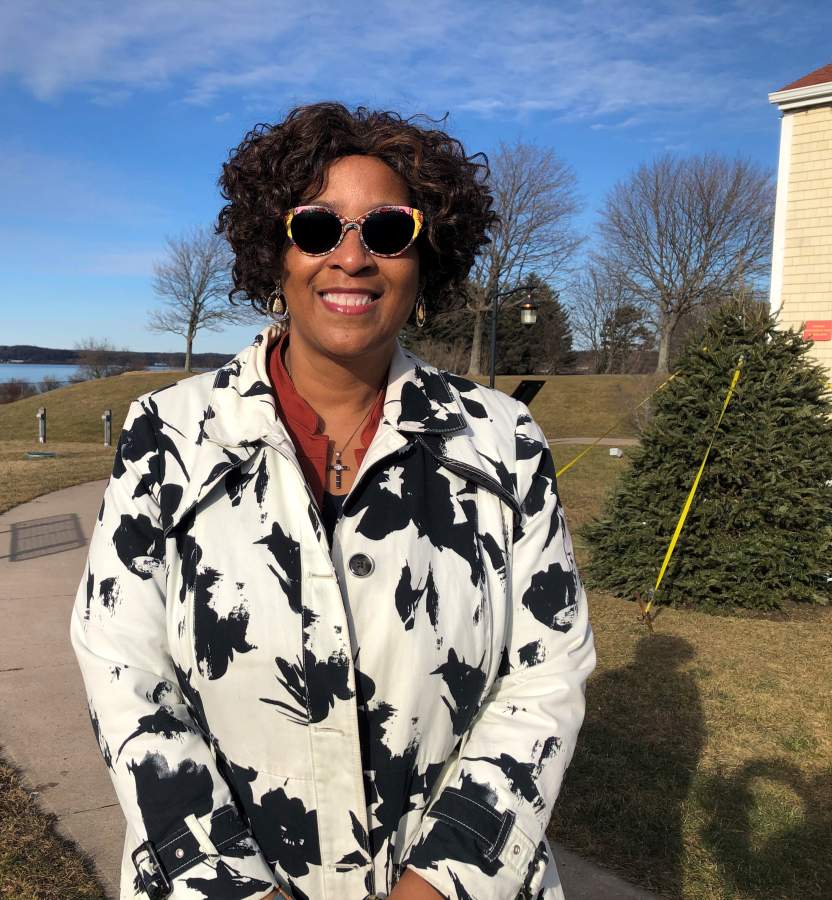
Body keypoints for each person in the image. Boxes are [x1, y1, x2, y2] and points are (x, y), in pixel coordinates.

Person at [70, 102, 595, 900]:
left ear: (424, 262)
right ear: (274, 254)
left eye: (387, 231)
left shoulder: (503, 443)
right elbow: (125, 674)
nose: (350, 258)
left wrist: (442, 883)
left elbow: (546, 677)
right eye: (317, 228)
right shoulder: (167, 437)